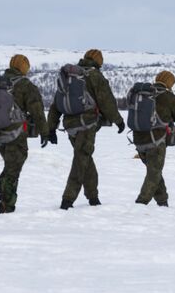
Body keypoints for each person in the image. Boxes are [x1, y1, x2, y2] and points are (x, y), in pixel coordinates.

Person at [0, 54, 49, 213]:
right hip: (15, 134)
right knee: (13, 170)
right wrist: (45, 132)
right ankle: (6, 206)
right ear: (23, 67)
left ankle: (4, 196)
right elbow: (37, 111)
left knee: (10, 167)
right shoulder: (26, 85)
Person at [48, 49, 124, 210]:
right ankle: (67, 201)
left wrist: (51, 128)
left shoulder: (70, 76)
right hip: (87, 125)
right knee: (81, 161)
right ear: (98, 61)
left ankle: (93, 198)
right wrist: (118, 120)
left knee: (85, 160)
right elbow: (107, 102)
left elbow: (56, 103)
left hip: (69, 125)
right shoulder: (95, 76)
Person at [131, 71, 175, 207]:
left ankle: (162, 202)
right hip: (156, 140)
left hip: (138, 139)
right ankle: (140, 204)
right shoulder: (167, 96)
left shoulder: (143, 93)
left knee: (154, 171)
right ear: (169, 83)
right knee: (154, 174)